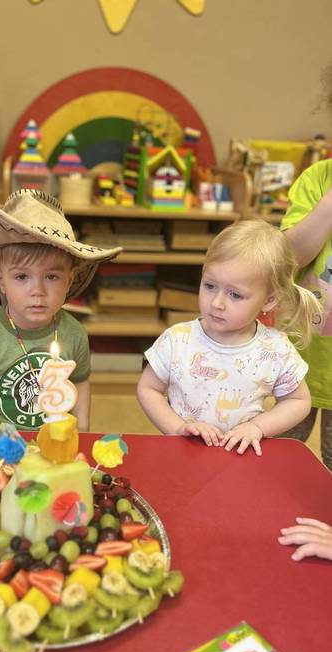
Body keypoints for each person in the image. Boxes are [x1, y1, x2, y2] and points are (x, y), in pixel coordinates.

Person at [137, 219, 322, 456]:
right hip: (183, 454)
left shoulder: (275, 349)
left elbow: (298, 401)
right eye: (210, 286)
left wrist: (257, 427)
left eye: (235, 295)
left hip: (239, 457)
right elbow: (148, 389)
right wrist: (178, 428)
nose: (217, 303)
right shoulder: (177, 339)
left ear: (268, 300)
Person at [0, 188, 122, 431]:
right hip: (2, 447)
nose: (38, 291)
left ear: (70, 279)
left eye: (51, 276)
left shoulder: (74, 333)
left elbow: (80, 382)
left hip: (58, 444)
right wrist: (4, 444)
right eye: (21, 277)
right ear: (0, 280)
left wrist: (82, 430)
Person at [279, 63, 332, 472]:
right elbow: (290, 257)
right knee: (278, 460)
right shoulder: (317, 180)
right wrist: (328, 203)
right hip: (301, 358)